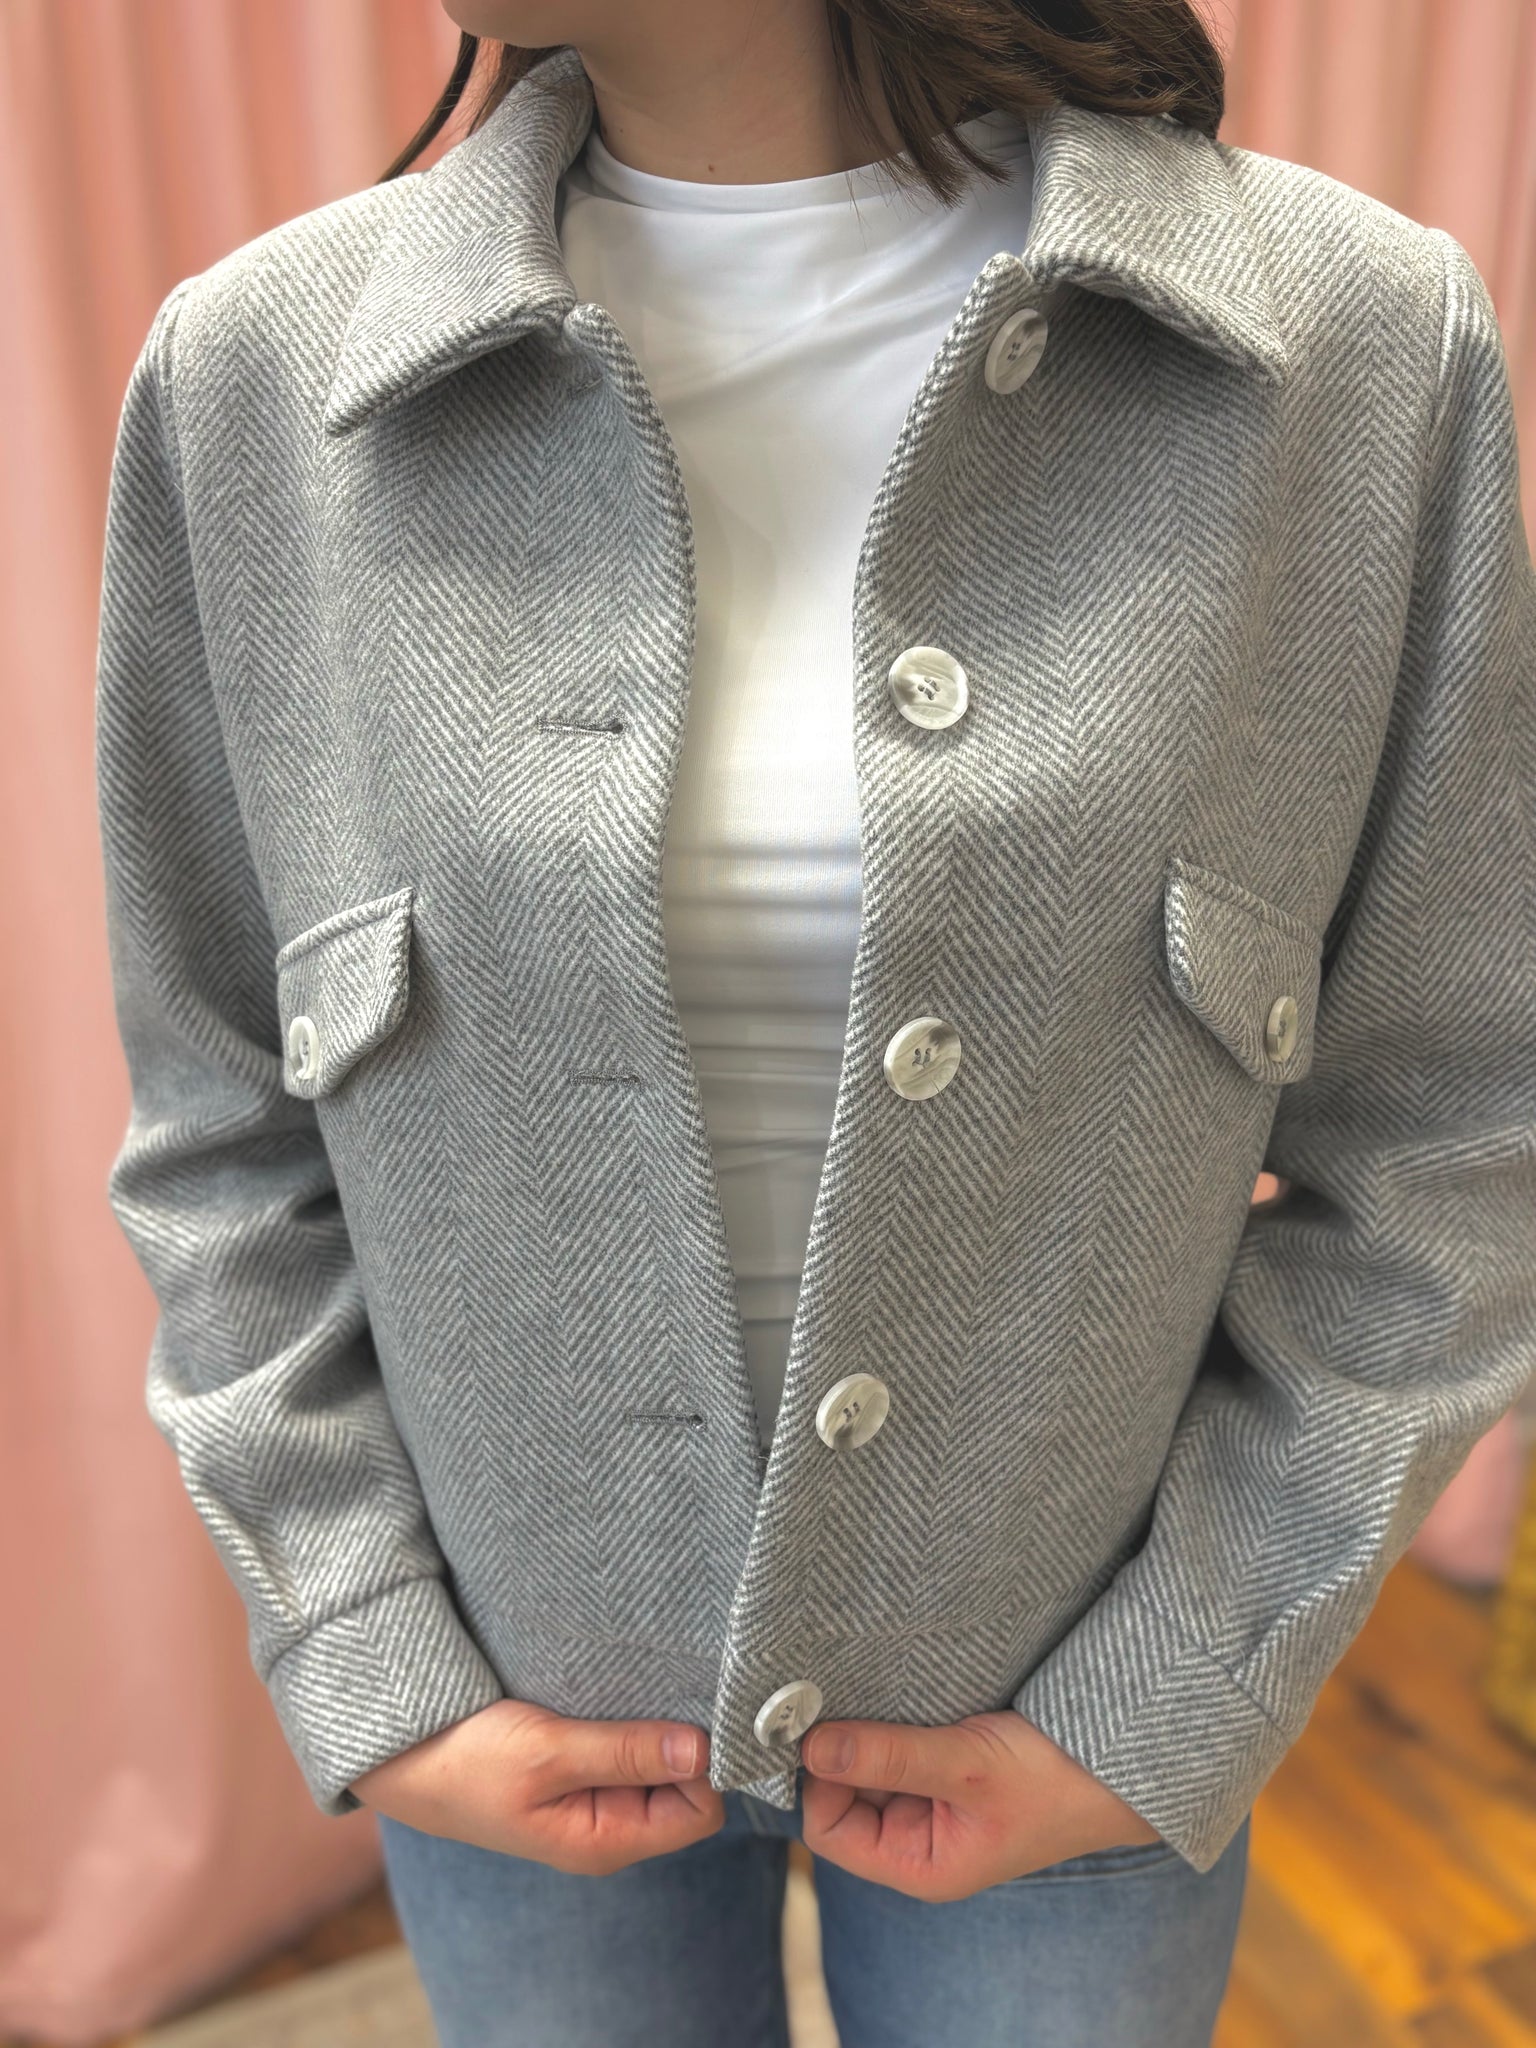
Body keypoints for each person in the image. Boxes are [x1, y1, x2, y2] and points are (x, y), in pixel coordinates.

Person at [93, 2, 1535, 2042]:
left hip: (1068, 1691)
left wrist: (1178, 1678)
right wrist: (364, 1644)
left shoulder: (1351, 349)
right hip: (517, 1698)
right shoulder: (259, 379)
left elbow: (1459, 1130)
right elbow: (222, 1119)